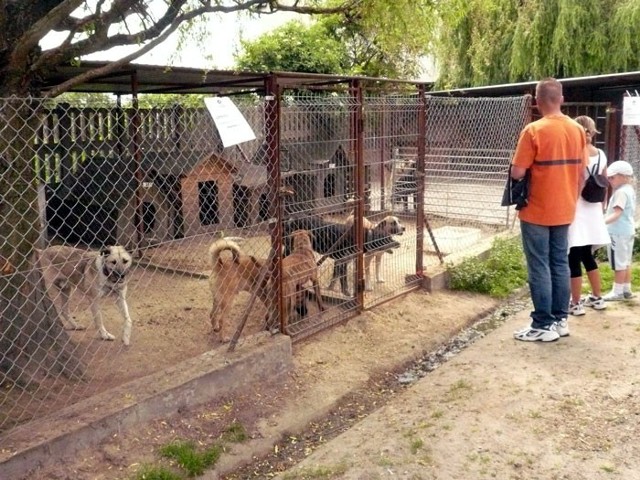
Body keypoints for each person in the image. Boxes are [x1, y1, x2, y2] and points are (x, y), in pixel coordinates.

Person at [511, 78, 588, 342]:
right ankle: (560, 320)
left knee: (539, 265)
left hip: (536, 209)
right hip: (565, 209)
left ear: (537, 101)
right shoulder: (578, 130)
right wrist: (571, 198)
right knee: (560, 262)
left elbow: (518, 171)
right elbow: (582, 173)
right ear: (562, 100)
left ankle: (542, 324)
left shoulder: (533, 131)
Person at [567, 116, 610, 316]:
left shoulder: (575, 153)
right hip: (594, 209)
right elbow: (605, 180)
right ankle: (597, 296)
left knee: (573, 257)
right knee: (588, 256)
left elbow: (574, 181)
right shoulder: (601, 154)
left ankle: (575, 303)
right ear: (593, 131)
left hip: (577, 208)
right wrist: (603, 206)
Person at [603, 160, 636, 301]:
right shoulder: (630, 190)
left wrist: (600, 223)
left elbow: (617, 213)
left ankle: (617, 291)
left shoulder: (621, 193)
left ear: (623, 176)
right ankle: (626, 289)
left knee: (619, 263)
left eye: (613, 177)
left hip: (617, 232)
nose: (610, 180)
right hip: (628, 230)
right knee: (626, 261)